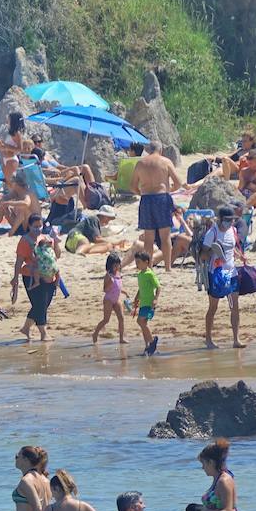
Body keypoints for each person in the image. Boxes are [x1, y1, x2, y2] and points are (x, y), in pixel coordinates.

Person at [200, 206, 247, 349]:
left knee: (234, 306)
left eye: (232, 220)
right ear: (220, 219)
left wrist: (240, 255)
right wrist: (214, 252)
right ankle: (208, 339)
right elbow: (203, 255)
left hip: (231, 273)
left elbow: (231, 247)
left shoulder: (232, 231)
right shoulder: (211, 233)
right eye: (227, 220)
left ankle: (236, 339)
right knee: (213, 307)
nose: (230, 223)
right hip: (216, 274)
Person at [11, 215, 60, 342]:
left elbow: (56, 256)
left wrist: (56, 241)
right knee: (40, 304)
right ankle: (43, 333)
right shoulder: (24, 241)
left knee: (44, 304)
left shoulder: (46, 239)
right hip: (31, 276)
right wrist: (15, 278)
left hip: (49, 276)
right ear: (29, 226)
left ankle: (26, 328)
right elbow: (19, 262)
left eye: (40, 226)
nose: (38, 229)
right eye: (35, 226)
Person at [134, 142, 183, 270]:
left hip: (146, 199)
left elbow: (132, 185)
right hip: (162, 198)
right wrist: (169, 189)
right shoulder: (165, 161)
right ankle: (168, 267)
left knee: (149, 238)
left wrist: (142, 192)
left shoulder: (141, 163)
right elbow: (178, 182)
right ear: (161, 150)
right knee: (165, 235)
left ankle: (148, 267)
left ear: (148, 150)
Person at [191, 438, 241, 511]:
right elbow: (213, 509)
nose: (202, 467)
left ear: (211, 462)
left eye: (203, 463)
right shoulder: (217, 480)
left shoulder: (224, 480)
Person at [5, 446, 51, 511]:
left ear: (26, 460)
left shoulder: (26, 481)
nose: (15, 459)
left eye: (17, 456)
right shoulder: (46, 480)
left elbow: (38, 508)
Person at [91, 253, 128, 345]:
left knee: (121, 318)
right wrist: (110, 284)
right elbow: (105, 289)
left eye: (117, 265)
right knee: (106, 319)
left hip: (116, 299)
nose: (116, 267)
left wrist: (124, 292)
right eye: (114, 265)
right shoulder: (108, 275)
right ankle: (95, 334)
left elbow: (118, 287)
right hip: (108, 299)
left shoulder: (119, 274)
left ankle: (121, 338)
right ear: (110, 266)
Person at [131, 249, 161, 356]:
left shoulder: (150, 274)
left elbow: (158, 287)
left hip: (149, 304)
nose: (137, 264)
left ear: (146, 262)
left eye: (139, 262)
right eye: (136, 262)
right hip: (143, 303)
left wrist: (156, 299)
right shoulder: (140, 275)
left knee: (141, 322)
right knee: (144, 324)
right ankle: (147, 346)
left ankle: (152, 341)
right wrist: (136, 298)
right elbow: (141, 288)